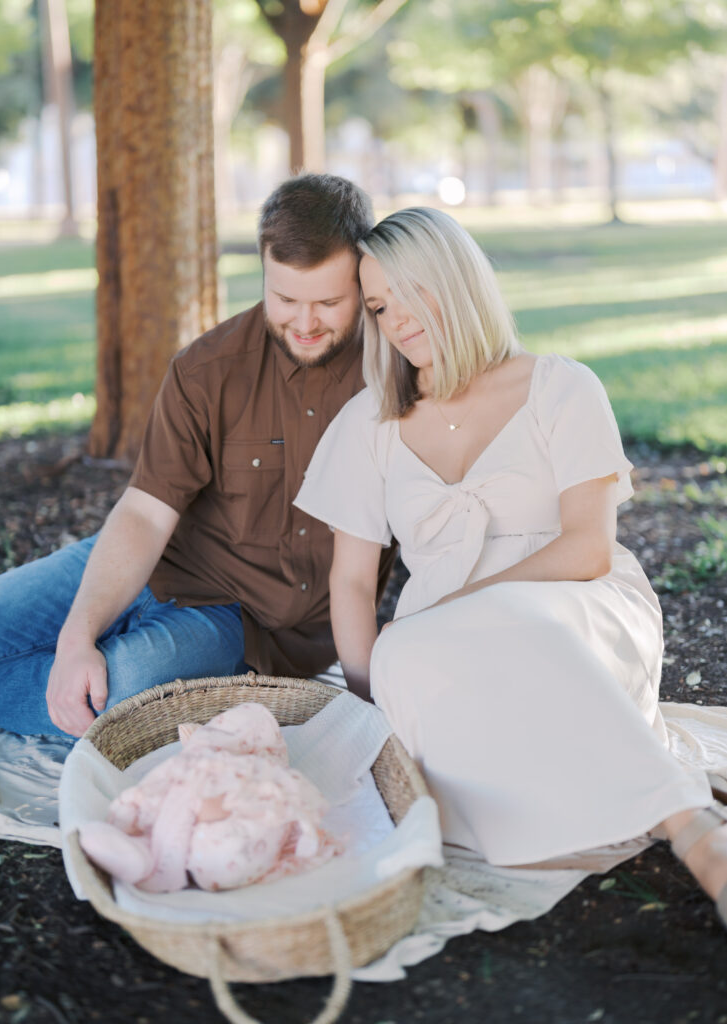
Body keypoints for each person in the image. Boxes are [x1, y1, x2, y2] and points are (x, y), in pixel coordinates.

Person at [294, 206, 727, 928]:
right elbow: (350, 581)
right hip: (432, 642)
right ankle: (633, 805)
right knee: (426, 679)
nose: (395, 320)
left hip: (574, 602)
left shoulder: (560, 386)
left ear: (456, 280)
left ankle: (688, 827)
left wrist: (462, 610)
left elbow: (587, 547)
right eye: (377, 306)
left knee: (514, 626)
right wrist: (374, 696)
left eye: (410, 292)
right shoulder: (366, 424)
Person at [0, 173, 394, 739]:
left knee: (114, 694)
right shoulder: (208, 369)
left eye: (328, 302)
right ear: (263, 269)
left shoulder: (394, 378)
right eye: (284, 299)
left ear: (363, 277)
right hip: (152, 560)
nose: (305, 323)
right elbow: (144, 513)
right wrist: (76, 637)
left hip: (240, 624)